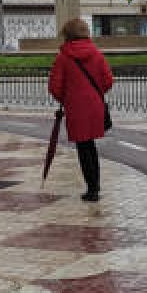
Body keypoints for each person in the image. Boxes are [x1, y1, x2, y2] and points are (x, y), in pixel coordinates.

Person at [48, 18, 114, 201]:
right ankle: (95, 185)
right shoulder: (97, 55)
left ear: (67, 35)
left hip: (76, 108)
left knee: (83, 148)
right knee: (91, 146)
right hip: (95, 106)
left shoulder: (63, 57)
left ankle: (92, 189)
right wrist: (95, 94)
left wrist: (68, 98)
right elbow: (108, 81)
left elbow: (55, 87)